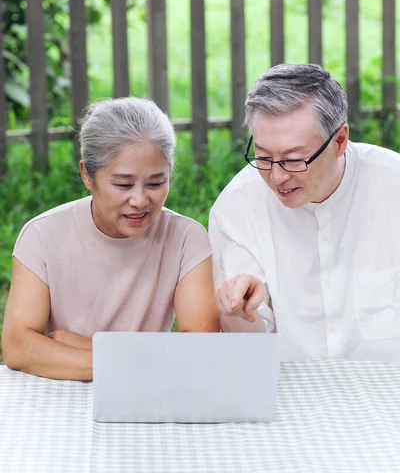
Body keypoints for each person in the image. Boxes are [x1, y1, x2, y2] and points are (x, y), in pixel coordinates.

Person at [2, 97, 219, 380]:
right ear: (87, 176)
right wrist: (135, 365)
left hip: (143, 395)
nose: (140, 200)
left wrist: (88, 349)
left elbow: (201, 347)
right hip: (63, 391)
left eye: (156, 183)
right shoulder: (42, 236)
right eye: (123, 184)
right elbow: (18, 347)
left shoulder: (187, 239)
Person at [211, 63, 400, 363]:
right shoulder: (237, 207)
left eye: (293, 159)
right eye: (262, 156)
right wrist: (238, 312)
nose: (276, 177)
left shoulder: (393, 185)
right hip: (287, 388)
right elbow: (246, 351)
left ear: (339, 141)